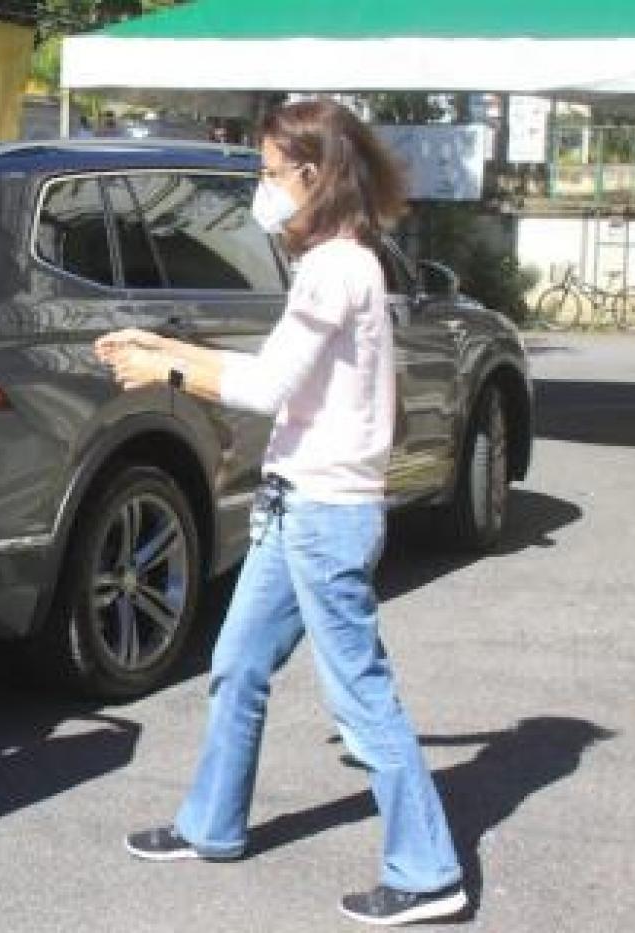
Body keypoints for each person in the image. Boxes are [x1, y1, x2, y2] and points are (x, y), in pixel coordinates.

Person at [96, 99, 467, 927]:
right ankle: (212, 824)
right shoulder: (344, 263)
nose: (262, 189)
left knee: (360, 696)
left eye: (269, 172)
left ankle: (428, 868)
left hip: (325, 514)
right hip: (300, 503)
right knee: (237, 663)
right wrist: (163, 349)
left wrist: (165, 371)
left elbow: (265, 387)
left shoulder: (336, 268)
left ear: (313, 174)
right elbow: (281, 367)